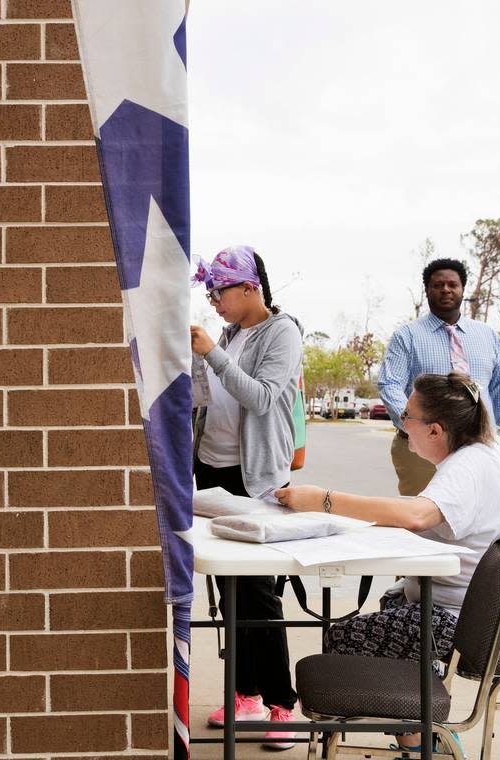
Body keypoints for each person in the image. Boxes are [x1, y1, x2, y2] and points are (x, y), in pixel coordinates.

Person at [276, 372, 500, 753]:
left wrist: (323, 500)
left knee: (343, 636)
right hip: (492, 609)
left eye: (408, 416)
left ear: (436, 430)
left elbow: (417, 517)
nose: (402, 424)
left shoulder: (469, 466)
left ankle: (425, 737)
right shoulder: (478, 455)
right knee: (395, 601)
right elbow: (416, 518)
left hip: (491, 619)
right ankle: (420, 733)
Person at [190, 245, 303, 750]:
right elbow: (208, 398)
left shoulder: (282, 332)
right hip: (210, 468)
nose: (214, 301)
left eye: (220, 291)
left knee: (258, 592)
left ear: (250, 288)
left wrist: (210, 353)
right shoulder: (233, 334)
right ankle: (245, 694)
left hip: (253, 477)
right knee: (229, 591)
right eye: (210, 292)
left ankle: (283, 705)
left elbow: (260, 396)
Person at [378, 258, 500, 496]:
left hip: (481, 445)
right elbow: (389, 383)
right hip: (424, 448)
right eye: (438, 285)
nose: (446, 289)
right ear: (427, 290)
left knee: (478, 518)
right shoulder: (407, 336)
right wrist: (414, 424)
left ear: (462, 290)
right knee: (424, 522)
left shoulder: (487, 336)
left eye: (452, 284)